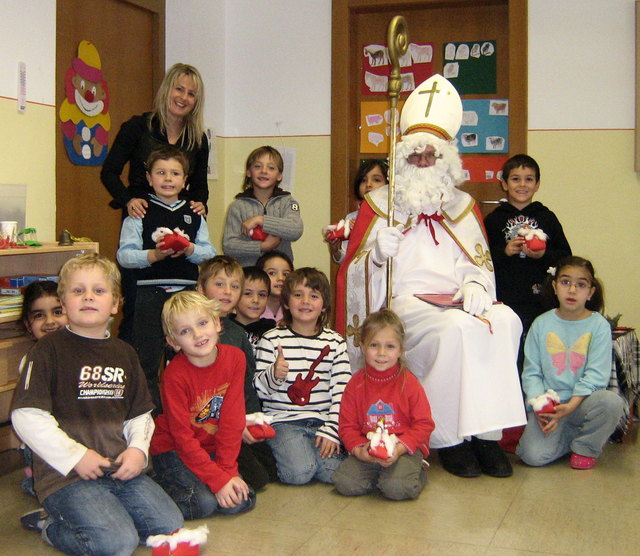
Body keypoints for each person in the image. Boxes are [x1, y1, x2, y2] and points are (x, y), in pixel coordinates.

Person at [336, 74, 526, 478]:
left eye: (431, 156)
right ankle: (449, 440)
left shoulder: (462, 205)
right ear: (402, 159)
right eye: (415, 155)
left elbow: (478, 261)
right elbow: (353, 275)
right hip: (406, 302)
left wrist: (475, 283)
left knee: (506, 320)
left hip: (455, 297)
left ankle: (487, 437)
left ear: (446, 161)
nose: (423, 162)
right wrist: (375, 256)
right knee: (454, 331)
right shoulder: (378, 203)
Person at [12, 253, 183, 556]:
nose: (88, 296)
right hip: (65, 475)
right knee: (117, 543)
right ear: (64, 304)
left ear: (115, 304)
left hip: (117, 468)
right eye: (78, 291)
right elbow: (26, 416)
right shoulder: (47, 351)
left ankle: (103, 512)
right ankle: (50, 526)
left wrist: (137, 450)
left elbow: (140, 415)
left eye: (99, 291)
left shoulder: (125, 353)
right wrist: (76, 456)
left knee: (170, 525)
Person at [101, 63, 209, 342]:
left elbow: (199, 187)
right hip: (142, 217)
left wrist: (200, 206)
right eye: (179, 89)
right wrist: (128, 201)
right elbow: (109, 172)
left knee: (182, 325)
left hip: (181, 224)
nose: (184, 97)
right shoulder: (138, 127)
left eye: (192, 94)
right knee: (138, 320)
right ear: (167, 89)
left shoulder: (197, 138)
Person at [117, 145, 215, 408]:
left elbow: (208, 253)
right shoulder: (139, 211)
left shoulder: (194, 213)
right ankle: (149, 419)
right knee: (145, 360)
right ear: (149, 178)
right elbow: (124, 256)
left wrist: (189, 249)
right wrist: (155, 256)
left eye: (175, 173)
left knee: (188, 358)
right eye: (161, 173)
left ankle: (190, 412)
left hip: (185, 297)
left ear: (185, 180)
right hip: (149, 294)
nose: (168, 179)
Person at [151, 291, 256, 519]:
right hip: (173, 450)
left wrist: (227, 473)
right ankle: (153, 486)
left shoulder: (235, 358)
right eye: (185, 331)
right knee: (203, 504)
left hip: (209, 447)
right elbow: (182, 437)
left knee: (241, 499)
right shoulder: (174, 375)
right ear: (173, 342)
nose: (198, 334)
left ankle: (209, 483)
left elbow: (232, 420)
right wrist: (218, 482)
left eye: (202, 323)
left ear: (217, 323)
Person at [516, 256, 624, 469]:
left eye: (581, 285)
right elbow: (532, 373)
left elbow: (596, 376)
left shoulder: (599, 326)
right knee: (532, 457)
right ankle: (568, 438)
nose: (572, 290)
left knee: (611, 402)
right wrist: (542, 408)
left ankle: (584, 447)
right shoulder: (541, 324)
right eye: (566, 282)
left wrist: (571, 406)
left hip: (582, 403)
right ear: (555, 287)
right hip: (551, 406)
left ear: (590, 292)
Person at [254, 268, 352, 485]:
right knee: (300, 473)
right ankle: (278, 454)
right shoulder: (271, 339)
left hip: (321, 421)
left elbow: (342, 392)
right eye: (298, 295)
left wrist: (332, 431)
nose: (305, 301)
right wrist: (273, 374)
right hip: (283, 423)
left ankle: (308, 452)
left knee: (333, 474)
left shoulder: (335, 342)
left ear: (324, 304)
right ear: (286, 302)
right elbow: (259, 390)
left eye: (314, 296)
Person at [332, 309, 434, 500]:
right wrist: (359, 451)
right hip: (368, 447)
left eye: (389, 346)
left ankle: (415, 470)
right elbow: (347, 427)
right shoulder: (355, 384)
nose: (381, 353)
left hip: (404, 449)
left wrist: (400, 449)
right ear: (362, 345)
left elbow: (424, 424)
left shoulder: (409, 383)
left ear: (400, 349)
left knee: (396, 488)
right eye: (374, 345)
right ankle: (383, 475)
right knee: (344, 483)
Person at [197, 255, 277, 490]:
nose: (227, 292)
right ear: (201, 289)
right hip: (208, 422)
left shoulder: (237, 333)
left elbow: (246, 383)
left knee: (270, 472)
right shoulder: (195, 332)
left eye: (234, 286)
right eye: (219, 284)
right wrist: (234, 426)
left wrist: (252, 419)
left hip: (237, 418)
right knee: (256, 479)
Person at [484, 154, 572, 335]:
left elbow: (565, 256)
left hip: (541, 298)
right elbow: (482, 259)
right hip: (505, 297)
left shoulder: (547, 217)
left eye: (529, 179)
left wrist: (543, 255)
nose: (522, 185)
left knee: (540, 343)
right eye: (516, 179)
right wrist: (505, 252)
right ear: (504, 184)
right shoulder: (494, 219)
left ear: (537, 184)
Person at [19, 280, 69, 498]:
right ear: (28, 325)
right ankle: (38, 480)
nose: (50, 322)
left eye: (57, 312)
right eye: (39, 315)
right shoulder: (32, 362)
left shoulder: (84, 353)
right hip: (45, 446)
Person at [222, 146, 303, 267]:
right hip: (249, 275)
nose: (264, 171)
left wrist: (261, 220)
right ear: (249, 172)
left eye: (271, 168)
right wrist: (262, 247)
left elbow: (296, 229)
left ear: (279, 175)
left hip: (280, 274)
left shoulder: (288, 202)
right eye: (257, 166)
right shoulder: (237, 206)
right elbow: (228, 245)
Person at [325, 159, 388, 264]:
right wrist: (336, 250)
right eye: (363, 180)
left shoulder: (392, 216)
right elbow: (346, 259)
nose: (368, 184)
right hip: (361, 275)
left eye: (376, 180)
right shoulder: (352, 218)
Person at [230, 266, 276, 352]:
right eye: (248, 293)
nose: (256, 300)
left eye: (262, 295)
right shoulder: (224, 328)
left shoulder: (272, 331)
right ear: (235, 295)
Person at [256, 250, 294, 323]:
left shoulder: (295, 310)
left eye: (286, 274)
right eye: (272, 273)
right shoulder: (250, 308)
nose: (281, 278)